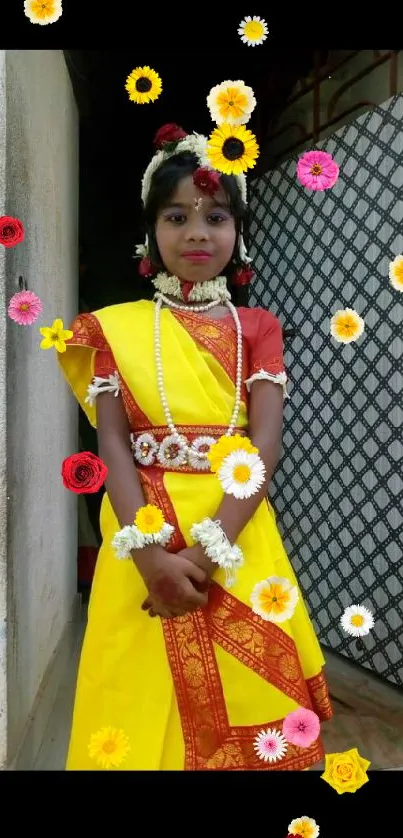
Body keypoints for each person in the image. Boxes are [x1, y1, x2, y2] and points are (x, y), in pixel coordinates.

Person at [58, 123, 333, 771]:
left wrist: (207, 551)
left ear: (237, 233)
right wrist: (151, 557)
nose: (196, 233)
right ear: (151, 232)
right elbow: (113, 446)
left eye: (215, 217)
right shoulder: (112, 331)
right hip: (137, 534)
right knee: (137, 689)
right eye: (176, 216)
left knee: (254, 698)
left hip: (237, 530)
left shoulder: (257, 328)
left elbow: (264, 444)